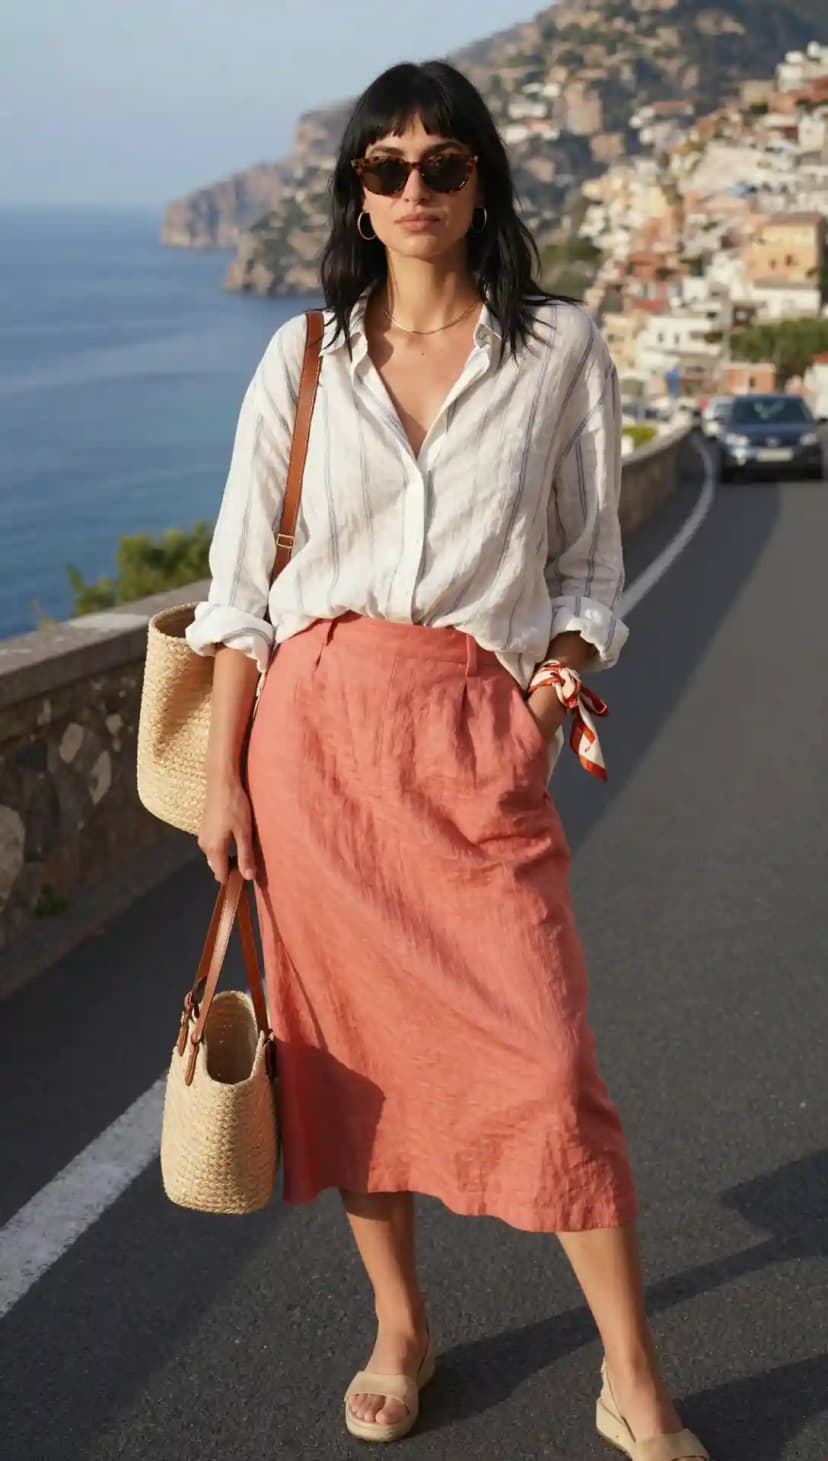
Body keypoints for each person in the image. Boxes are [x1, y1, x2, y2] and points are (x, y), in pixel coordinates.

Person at [185, 59, 710, 1461]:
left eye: (442, 164)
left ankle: (634, 1377)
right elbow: (241, 595)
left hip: (474, 746)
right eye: (385, 167)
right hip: (315, 753)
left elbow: (591, 569)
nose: (413, 189)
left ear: (484, 182)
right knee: (351, 1065)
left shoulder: (561, 352)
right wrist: (227, 781)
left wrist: (539, 712)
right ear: (356, 193)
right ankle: (400, 1326)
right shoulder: (300, 361)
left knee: (549, 1066)